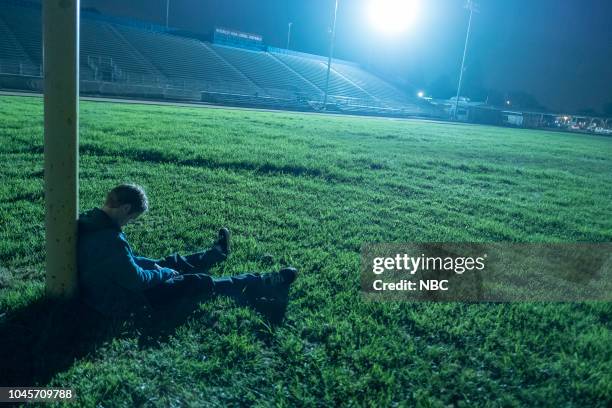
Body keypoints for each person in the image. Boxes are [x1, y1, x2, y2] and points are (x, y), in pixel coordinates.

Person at [77, 184, 298, 317]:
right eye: (132, 218)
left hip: (112, 283)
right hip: (126, 299)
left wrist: (158, 265)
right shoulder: (110, 239)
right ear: (125, 209)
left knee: (169, 262)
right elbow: (136, 280)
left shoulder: (92, 220)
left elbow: (125, 261)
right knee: (196, 282)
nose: (129, 223)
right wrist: (164, 273)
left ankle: (216, 253)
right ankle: (263, 281)